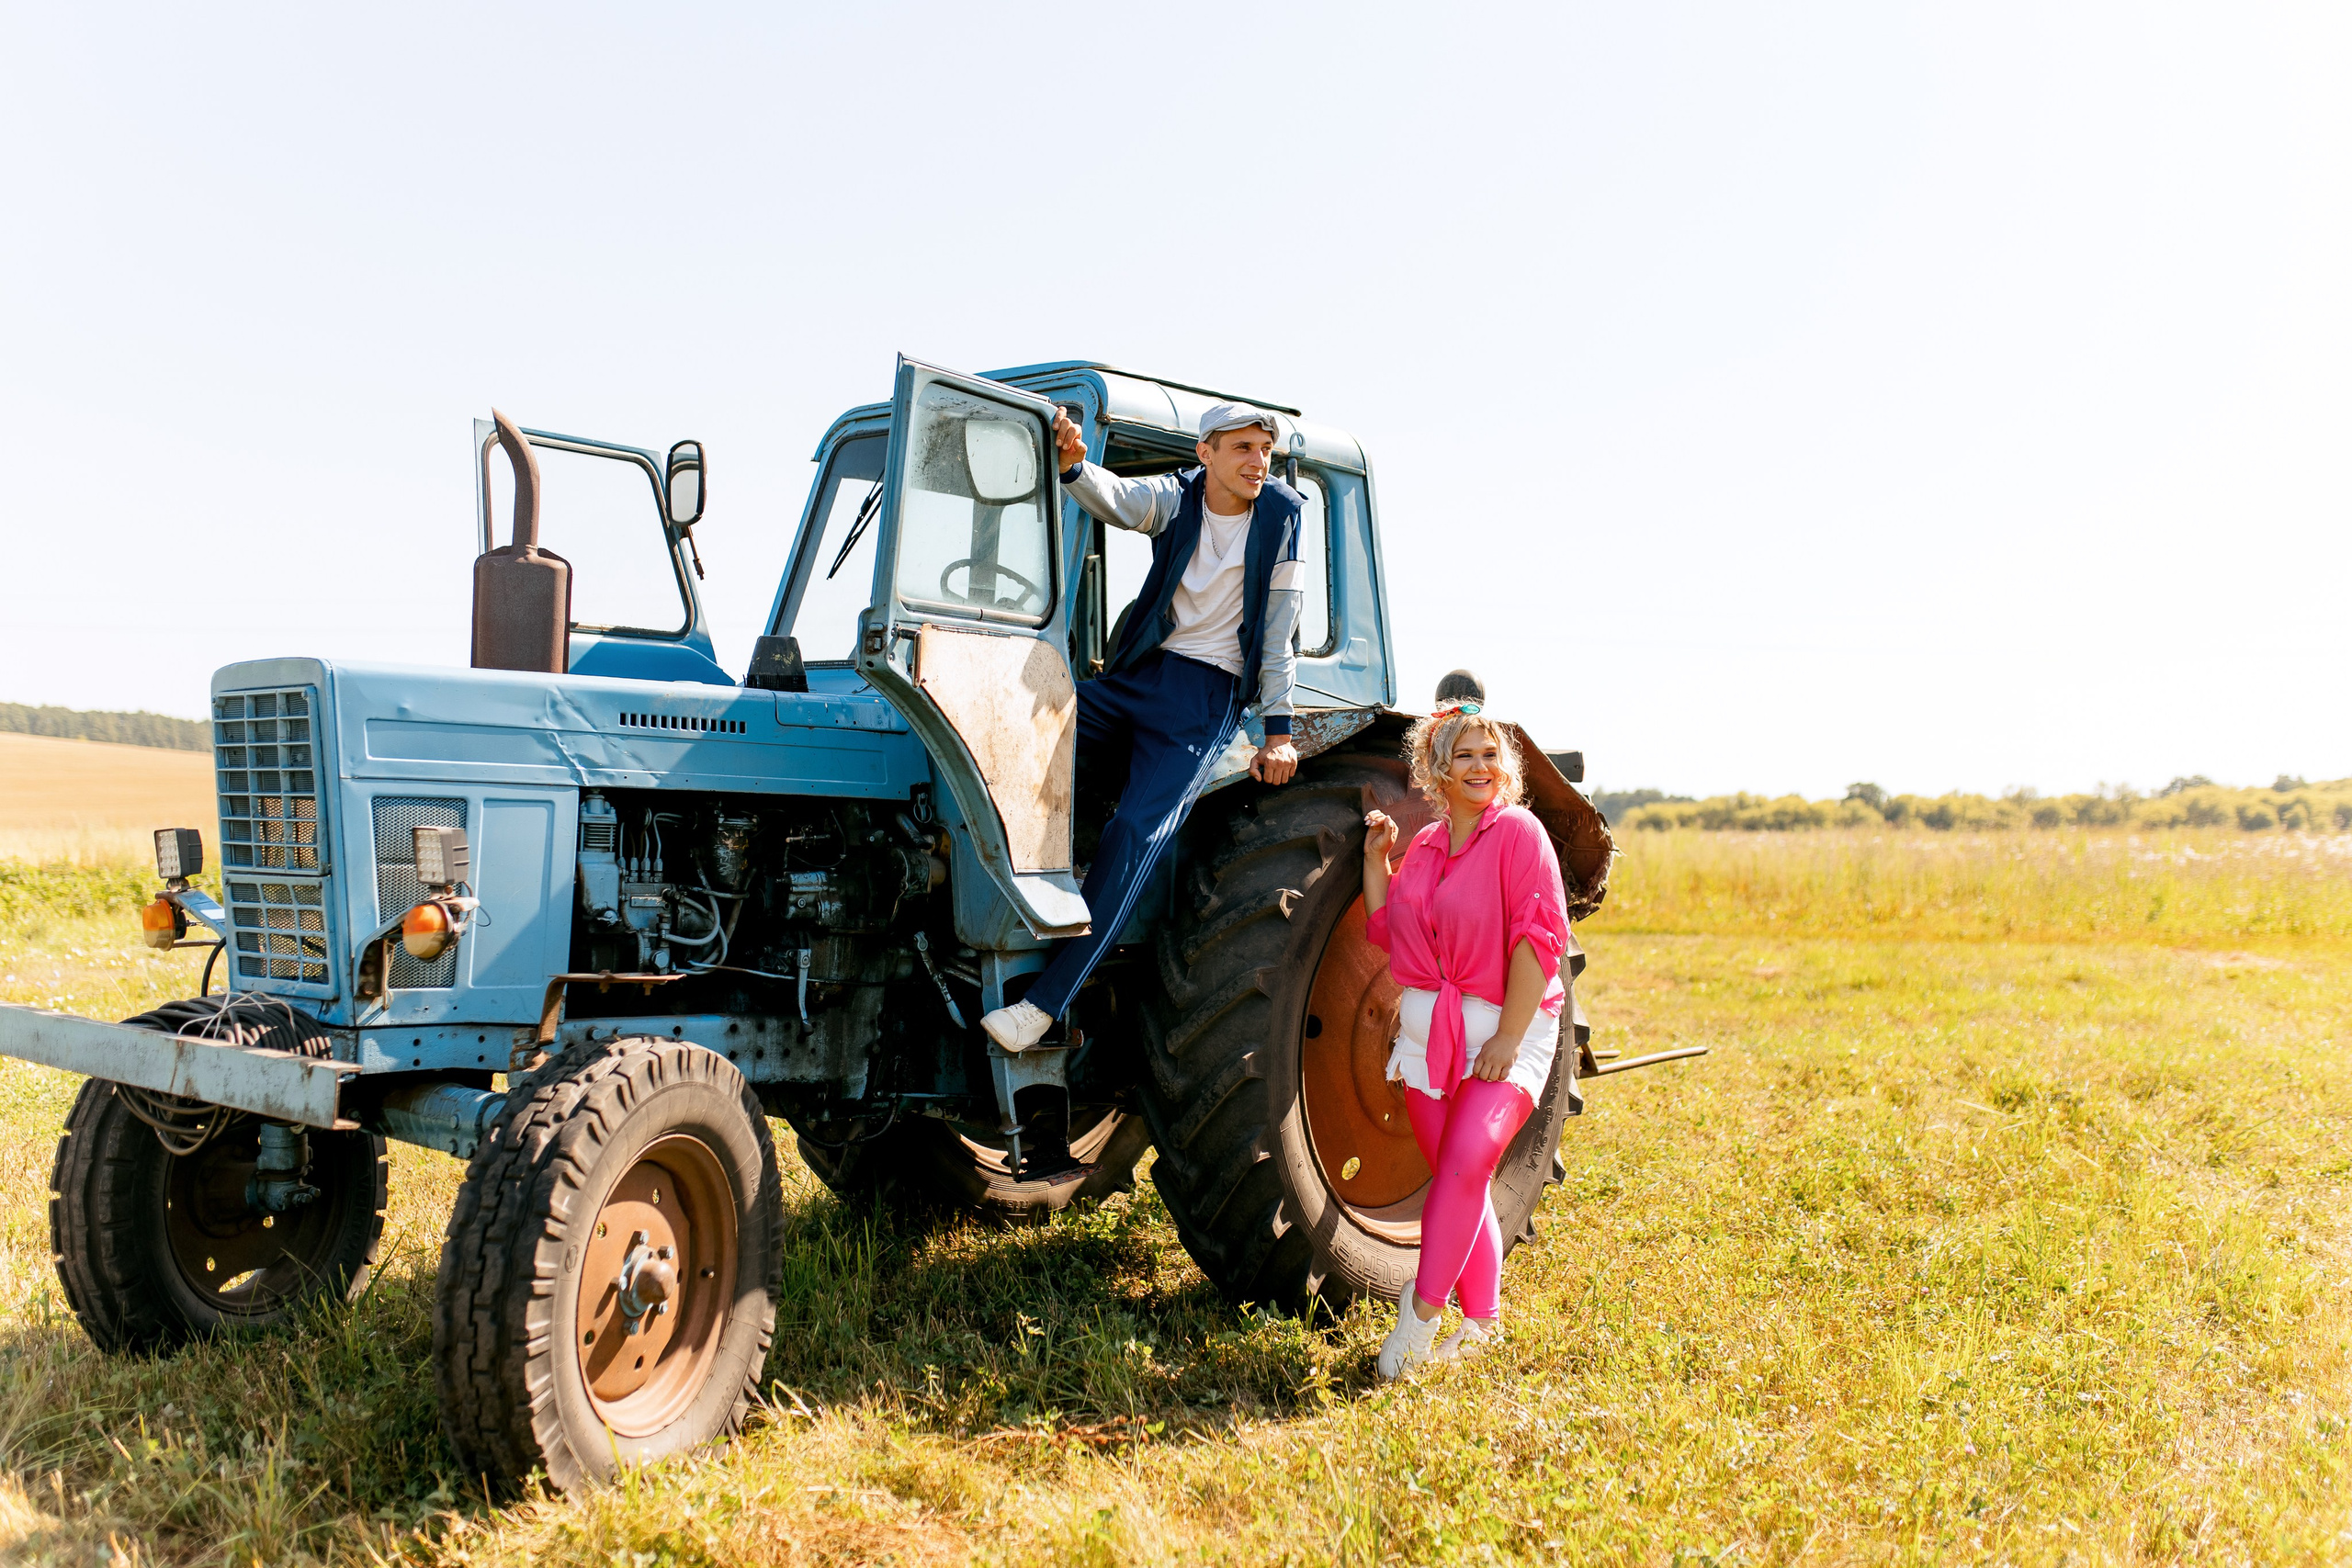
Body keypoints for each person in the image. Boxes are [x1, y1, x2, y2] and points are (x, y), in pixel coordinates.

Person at [978, 402, 1305, 1055]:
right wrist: (1072, 464)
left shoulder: (1282, 514)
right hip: (1143, 674)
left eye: (1264, 450)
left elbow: (1279, 629)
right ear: (1206, 453)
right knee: (1035, 724)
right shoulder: (1178, 496)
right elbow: (1122, 501)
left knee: (1134, 830)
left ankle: (1043, 1005)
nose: (1257, 462)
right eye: (1242, 448)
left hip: (1206, 697)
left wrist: (1279, 729)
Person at [1361, 701, 1570, 1376]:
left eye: (1489, 754)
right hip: (1428, 1046)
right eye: (1465, 756)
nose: (1481, 766)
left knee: (1464, 1164)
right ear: (1437, 769)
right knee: (1462, 1183)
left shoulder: (1520, 834)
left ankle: (1417, 1322)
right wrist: (1376, 860)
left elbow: (1540, 939)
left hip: (1503, 1036)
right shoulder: (1423, 846)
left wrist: (1509, 1034)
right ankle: (1483, 1322)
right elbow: (1389, 930)